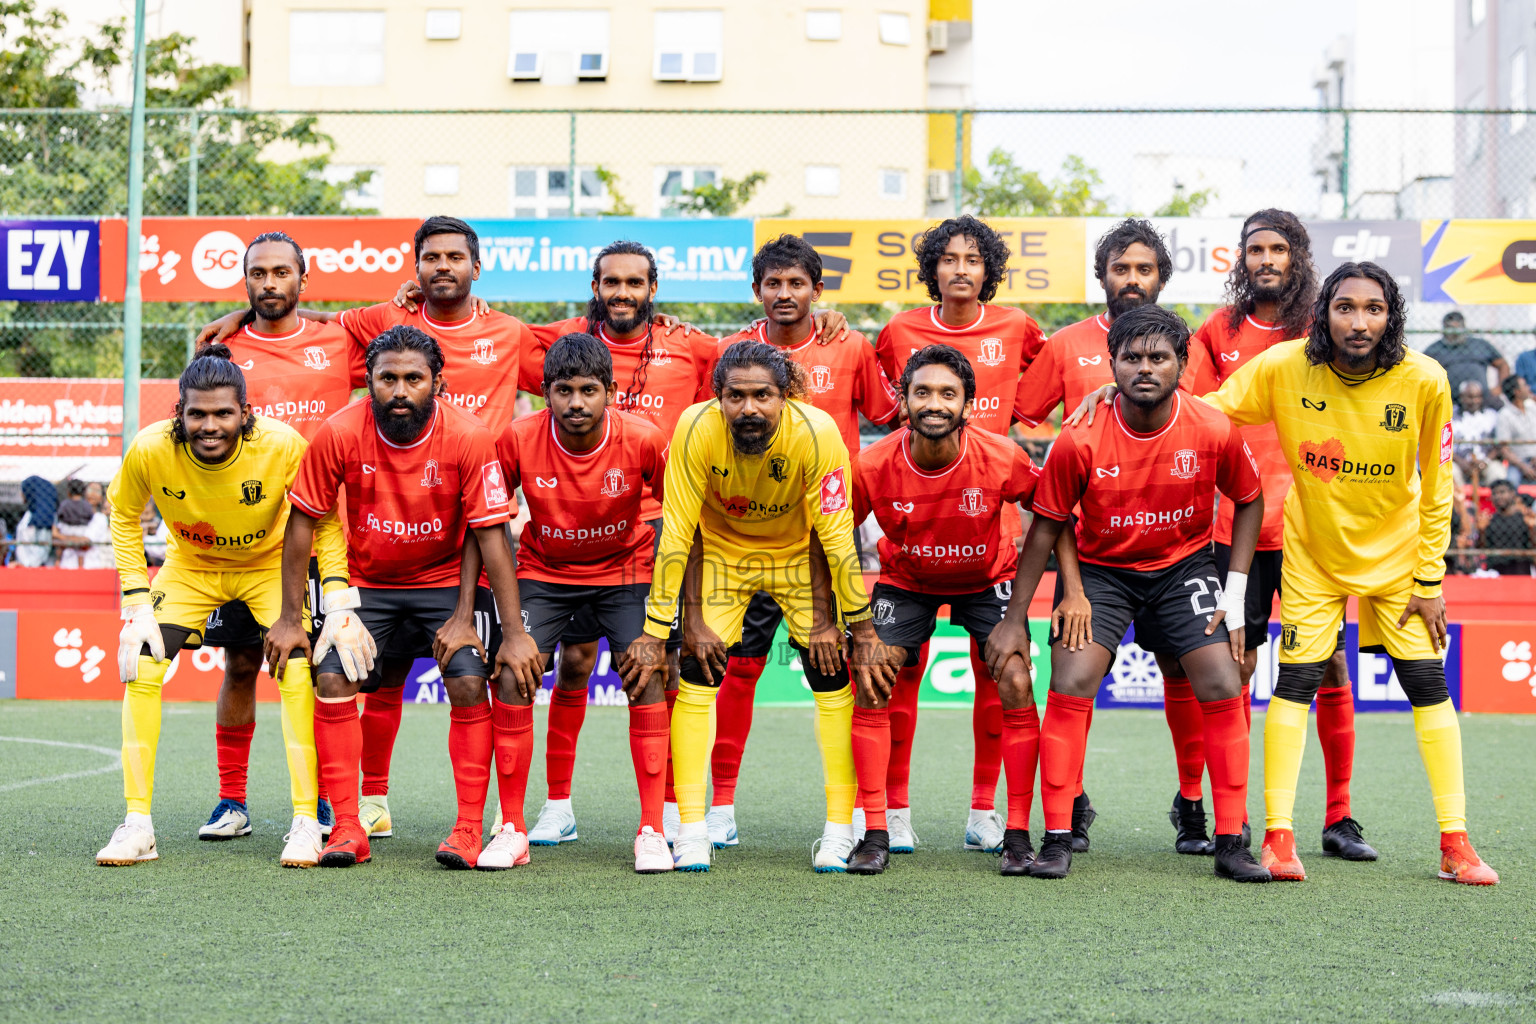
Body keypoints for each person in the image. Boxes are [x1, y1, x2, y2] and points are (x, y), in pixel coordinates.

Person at [1072, 262, 1499, 885]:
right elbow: (1206, 408)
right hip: (1313, 557)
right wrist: (1125, 391)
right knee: (1295, 684)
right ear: (1323, 311)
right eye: (1345, 307)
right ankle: (1277, 838)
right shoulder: (1286, 365)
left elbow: (1438, 491)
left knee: (1429, 686)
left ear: (1391, 316)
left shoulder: (1426, 379)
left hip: (1400, 562)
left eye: (1373, 309)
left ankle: (1455, 844)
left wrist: (1429, 584)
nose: (1358, 321)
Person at [988, 305, 1269, 883]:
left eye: (1158, 357)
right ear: (1111, 364)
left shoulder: (1213, 428)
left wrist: (1234, 590)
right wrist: (1019, 616)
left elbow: (1250, 499)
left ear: (1181, 366)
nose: (1145, 368)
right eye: (1132, 357)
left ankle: (1232, 838)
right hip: (1101, 572)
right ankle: (1060, 835)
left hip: (1183, 567)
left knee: (1221, 677)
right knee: (1071, 679)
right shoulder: (1079, 437)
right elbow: (1047, 522)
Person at [270, 325, 543, 870]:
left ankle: (468, 829)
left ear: (437, 382)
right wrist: (288, 617)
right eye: (386, 378)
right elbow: (303, 521)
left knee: (469, 680)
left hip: (444, 587)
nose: (399, 390)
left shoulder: (467, 436)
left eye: (413, 378)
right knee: (330, 676)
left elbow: (491, 533)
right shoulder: (339, 431)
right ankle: (348, 825)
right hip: (366, 588)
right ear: (367, 382)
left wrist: (512, 633)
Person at [621, 340, 886, 873]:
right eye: (735, 397)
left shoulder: (818, 433)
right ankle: (693, 829)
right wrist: (667, 626)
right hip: (723, 556)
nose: (749, 409)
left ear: (783, 396)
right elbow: (677, 533)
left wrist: (854, 627)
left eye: (762, 395)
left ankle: (839, 829)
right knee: (698, 668)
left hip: (796, 556)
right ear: (717, 397)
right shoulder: (696, 428)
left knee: (828, 670)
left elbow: (835, 536)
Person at [94, 344, 348, 869]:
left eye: (223, 413)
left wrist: (340, 595)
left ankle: (306, 821)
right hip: (192, 568)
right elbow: (121, 514)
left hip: (270, 568)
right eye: (197, 414)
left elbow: (323, 517)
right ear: (179, 413)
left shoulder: (283, 446)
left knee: (297, 669)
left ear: (245, 414)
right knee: (140, 663)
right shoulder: (149, 449)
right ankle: (138, 825)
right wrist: (136, 601)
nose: (210, 425)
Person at [1011, 217, 1216, 855]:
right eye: (1120, 268)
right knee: (1076, 675)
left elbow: (1205, 422)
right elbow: (1020, 416)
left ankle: (1192, 804)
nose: (1132, 279)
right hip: (1092, 553)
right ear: (1101, 276)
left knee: (1185, 675)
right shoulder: (1066, 343)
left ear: (1162, 277)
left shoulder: (1186, 346)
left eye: (1144, 269)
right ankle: (1069, 805)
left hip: (1178, 548)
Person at [845, 343, 1084, 876]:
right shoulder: (872, 463)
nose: (935, 403)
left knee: (1016, 681)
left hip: (988, 579)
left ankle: (1014, 831)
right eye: (922, 392)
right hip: (906, 581)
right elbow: (831, 539)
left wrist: (1070, 590)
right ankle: (877, 828)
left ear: (968, 406)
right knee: (871, 676)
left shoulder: (1001, 455)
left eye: (948, 394)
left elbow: (1052, 513)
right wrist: (856, 626)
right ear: (903, 404)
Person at [702, 234, 901, 850]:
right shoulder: (732, 352)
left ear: (818, 290)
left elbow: (894, 419)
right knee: (739, 669)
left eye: (797, 284)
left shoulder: (850, 346)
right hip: (749, 533)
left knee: (833, 671)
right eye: (773, 284)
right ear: (756, 290)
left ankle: (848, 820)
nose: (784, 294)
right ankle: (721, 808)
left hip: (828, 537)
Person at [1183, 210, 1369, 862]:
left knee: (1329, 663)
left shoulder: (1325, 327)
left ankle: (1340, 817)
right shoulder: (1217, 331)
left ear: (1298, 257)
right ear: (1242, 258)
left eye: (1278, 249)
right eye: (1255, 248)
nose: (1266, 259)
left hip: (1314, 524)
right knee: (1235, 663)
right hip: (1234, 527)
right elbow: (1196, 415)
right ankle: (1234, 817)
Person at [518, 241, 718, 847]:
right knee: (574, 663)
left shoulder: (694, 346)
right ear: (595, 285)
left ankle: (675, 815)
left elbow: (762, 362)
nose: (622, 292)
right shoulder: (560, 343)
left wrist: (826, 323)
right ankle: (557, 805)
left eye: (635, 282)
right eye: (611, 282)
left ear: (653, 287)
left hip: (657, 529)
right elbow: (470, 332)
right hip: (572, 525)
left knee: (660, 669)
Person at [872, 214, 1048, 855]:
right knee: (897, 679)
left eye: (973, 259)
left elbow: (1053, 381)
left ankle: (984, 812)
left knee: (997, 676)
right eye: (948, 259)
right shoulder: (897, 331)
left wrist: (1098, 392)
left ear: (989, 270)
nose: (960, 269)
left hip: (989, 531)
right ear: (932, 270)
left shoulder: (1019, 328)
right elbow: (874, 400)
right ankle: (892, 813)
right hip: (914, 533)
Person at [191, 232, 364, 844]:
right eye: (257, 273)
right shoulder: (221, 346)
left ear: (303, 280)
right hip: (248, 540)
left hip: (322, 533)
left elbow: (410, 340)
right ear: (245, 282)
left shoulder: (339, 338)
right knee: (240, 662)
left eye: (281, 273)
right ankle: (231, 801)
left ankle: (321, 801)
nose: (269, 283)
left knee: (322, 670)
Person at [488, 333, 672, 872]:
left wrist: (677, 613)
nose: (576, 403)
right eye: (563, 390)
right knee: (512, 673)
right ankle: (512, 827)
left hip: (625, 572)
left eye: (589, 390)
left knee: (647, 673)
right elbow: (487, 522)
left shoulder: (643, 438)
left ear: (611, 391)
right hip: (545, 572)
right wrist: (505, 625)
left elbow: (683, 521)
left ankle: (652, 830)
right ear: (544, 392)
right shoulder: (517, 439)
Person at [1425, 311, 1508, 404]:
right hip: (1450, 401)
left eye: (1456, 330)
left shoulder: (1479, 345)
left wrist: (1499, 388)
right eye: (1449, 330)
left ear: (1463, 328)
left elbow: (1502, 365)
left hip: (1482, 399)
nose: (1453, 334)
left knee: (1499, 404)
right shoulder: (1435, 350)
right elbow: (1422, 374)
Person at [1451, 381, 1506, 486]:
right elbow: (1444, 444)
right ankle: (1459, 502)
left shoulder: (1491, 415)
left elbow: (1499, 445)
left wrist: (1485, 461)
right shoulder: (1450, 415)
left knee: (1497, 472)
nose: (1474, 401)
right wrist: (1461, 462)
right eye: (1470, 397)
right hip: (1458, 462)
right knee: (1451, 471)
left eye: (1477, 397)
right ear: (1461, 397)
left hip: (1486, 461)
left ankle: (1495, 502)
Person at [1479, 480, 1534, 576]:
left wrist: (1532, 528)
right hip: (1496, 571)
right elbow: (1482, 547)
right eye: (1495, 494)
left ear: (1512, 494)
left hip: (1520, 570)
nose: (1498, 497)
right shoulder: (1490, 521)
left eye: (1502, 492)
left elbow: (1533, 545)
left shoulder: (1524, 519)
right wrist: (1482, 530)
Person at [1495, 375, 1536, 484]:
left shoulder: (1532, 407)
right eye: (1525, 385)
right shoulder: (1504, 415)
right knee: (1511, 483)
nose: (1529, 388)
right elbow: (1504, 449)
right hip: (1518, 463)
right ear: (1517, 391)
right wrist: (1523, 466)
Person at [12, 476, 56, 567]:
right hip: (23, 566)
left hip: (35, 568)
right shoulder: (29, 513)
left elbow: (43, 548)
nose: (21, 494)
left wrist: (26, 565)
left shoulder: (43, 516)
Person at [52, 481, 98, 569]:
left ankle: (58, 560)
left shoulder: (65, 504)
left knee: (61, 547)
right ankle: (80, 566)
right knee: (81, 553)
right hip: (82, 528)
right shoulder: (86, 505)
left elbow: (60, 515)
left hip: (67, 528)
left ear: (69, 492)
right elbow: (90, 516)